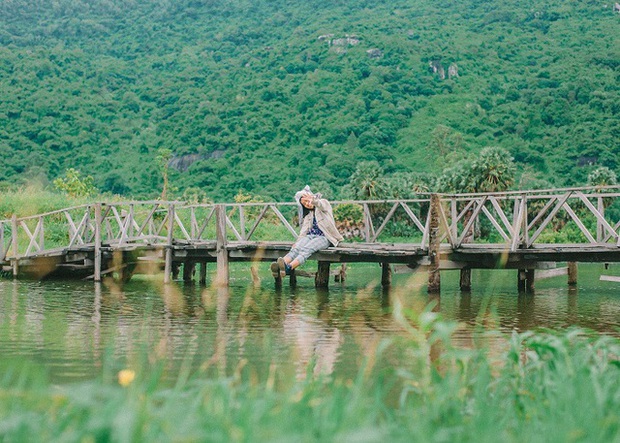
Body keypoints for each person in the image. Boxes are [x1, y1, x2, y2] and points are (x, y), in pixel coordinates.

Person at [271, 186, 344, 278]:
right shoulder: (308, 215)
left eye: (307, 201)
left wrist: (313, 200)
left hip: (325, 237)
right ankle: (279, 266)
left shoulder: (324, 204)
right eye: (304, 203)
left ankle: (289, 268)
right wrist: (297, 243)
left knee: (306, 249)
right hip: (310, 236)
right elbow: (304, 231)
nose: (306, 204)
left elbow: (320, 204)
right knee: (296, 249)